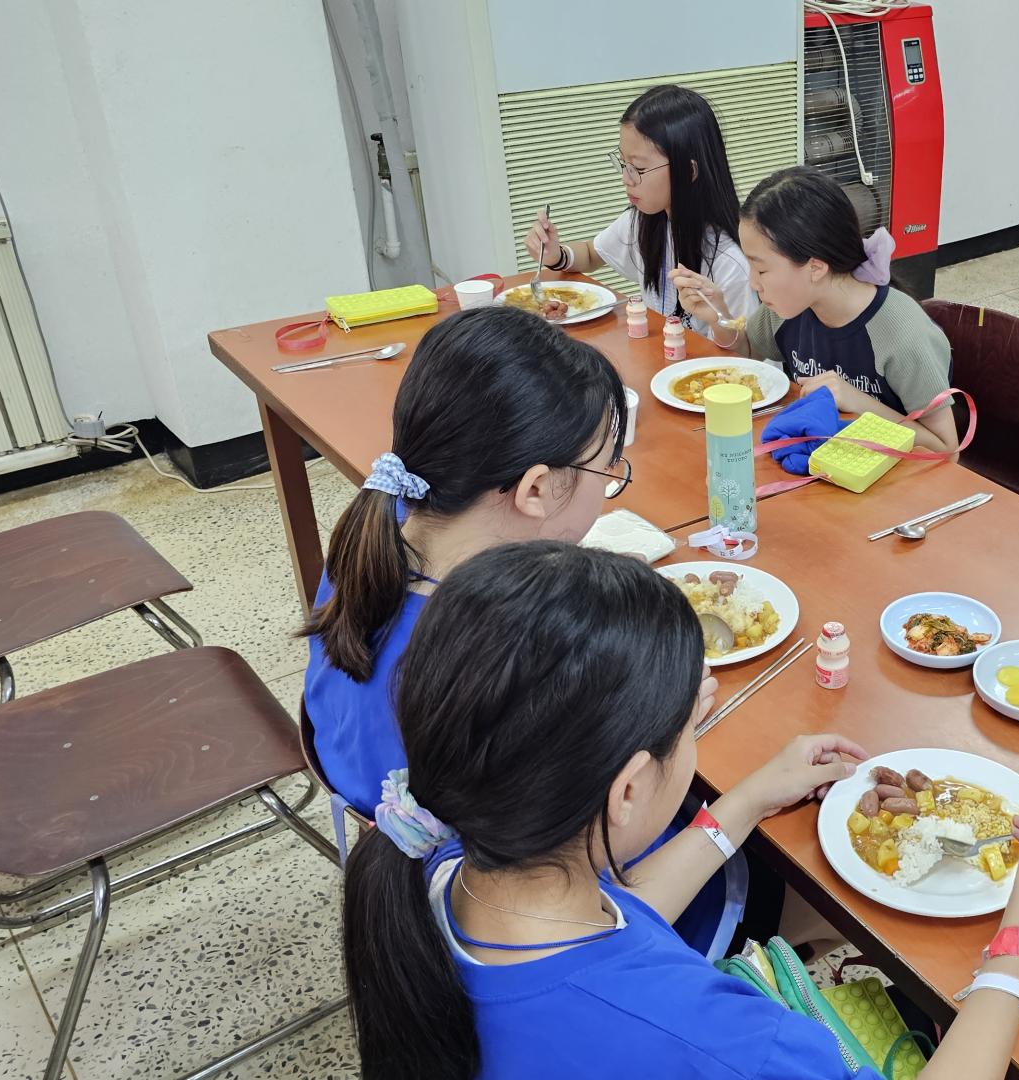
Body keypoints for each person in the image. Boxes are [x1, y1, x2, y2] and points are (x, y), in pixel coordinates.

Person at [342, 541, 1019, 1080]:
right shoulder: (720, 1039)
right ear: (628, 789)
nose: (693, 740)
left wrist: (742, 802)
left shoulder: (441, 854)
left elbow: (622, 923)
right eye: (691, 727)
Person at [301, 307, 747, 960]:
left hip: (395, 832)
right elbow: (587, 847)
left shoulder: (380, 523)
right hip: (530, 913)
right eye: (607, 473)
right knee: (763, 860)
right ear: (535, 489)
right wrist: (666, 723)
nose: (610, 488)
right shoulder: (502, 657)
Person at [670, 166, 960, 454]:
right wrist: (718, 316)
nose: (753, 283)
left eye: (761, 269)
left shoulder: (903, 334)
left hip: (890, 474)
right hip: (827, 460)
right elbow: (747, 352)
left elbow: (946, 451)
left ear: (816, 268)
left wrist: (860, 403)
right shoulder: (790, 307)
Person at [522, 85, 751, 338]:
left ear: (688, 172)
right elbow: (591, 254)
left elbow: (746, 354)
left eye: (638, 169)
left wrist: (720, 321)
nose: (625, 178)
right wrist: (556, 254)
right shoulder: (644, 221)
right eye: (623, 163)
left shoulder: (730, 262)